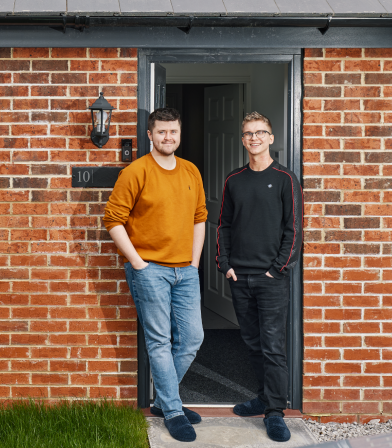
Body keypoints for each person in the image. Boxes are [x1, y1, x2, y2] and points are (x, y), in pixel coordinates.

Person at [103, 107, 207, 443]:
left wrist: (194, 262)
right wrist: (138, 263)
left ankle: (164, 400)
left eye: (173, 132)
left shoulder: (191, 171)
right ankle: (174, 412)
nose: (168, 137)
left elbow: (199, 218)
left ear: (179, 133)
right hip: (150, 270)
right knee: (160, 341)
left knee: (192, 338)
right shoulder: (136, 172)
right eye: (161, 132)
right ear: (150, 135)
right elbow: (113, 220)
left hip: (185, 271)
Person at [216, 111, 303, 442]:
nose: (254, 138)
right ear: (242, 140)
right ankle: (263, 398)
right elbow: (223, 224)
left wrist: (275, 268)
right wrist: (225, 264)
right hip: (240, 277)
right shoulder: (233, 179)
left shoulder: (284, 178)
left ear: (271, 137)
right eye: (248, 133)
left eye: (260, 132)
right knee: (252, 343)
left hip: (271, 279)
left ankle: (275, 412)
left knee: (272, 346)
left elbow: (293, 230)